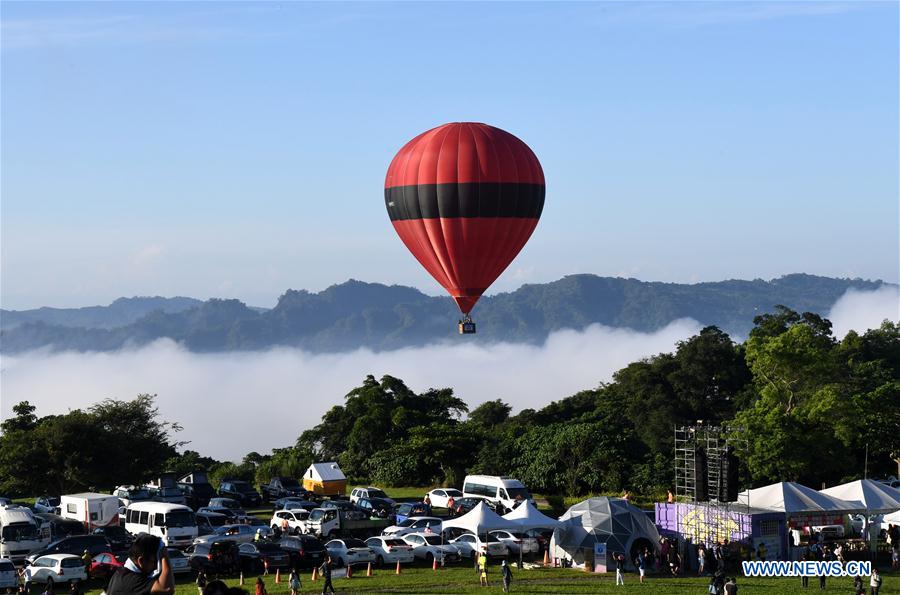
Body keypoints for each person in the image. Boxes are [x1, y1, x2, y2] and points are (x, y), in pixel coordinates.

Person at [106, 533, 175, 595]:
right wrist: (164, 556)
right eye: (154, 562)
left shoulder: (123, 573)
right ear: (141, 561)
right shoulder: (130, 580)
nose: (156, 567)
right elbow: (167, 589)